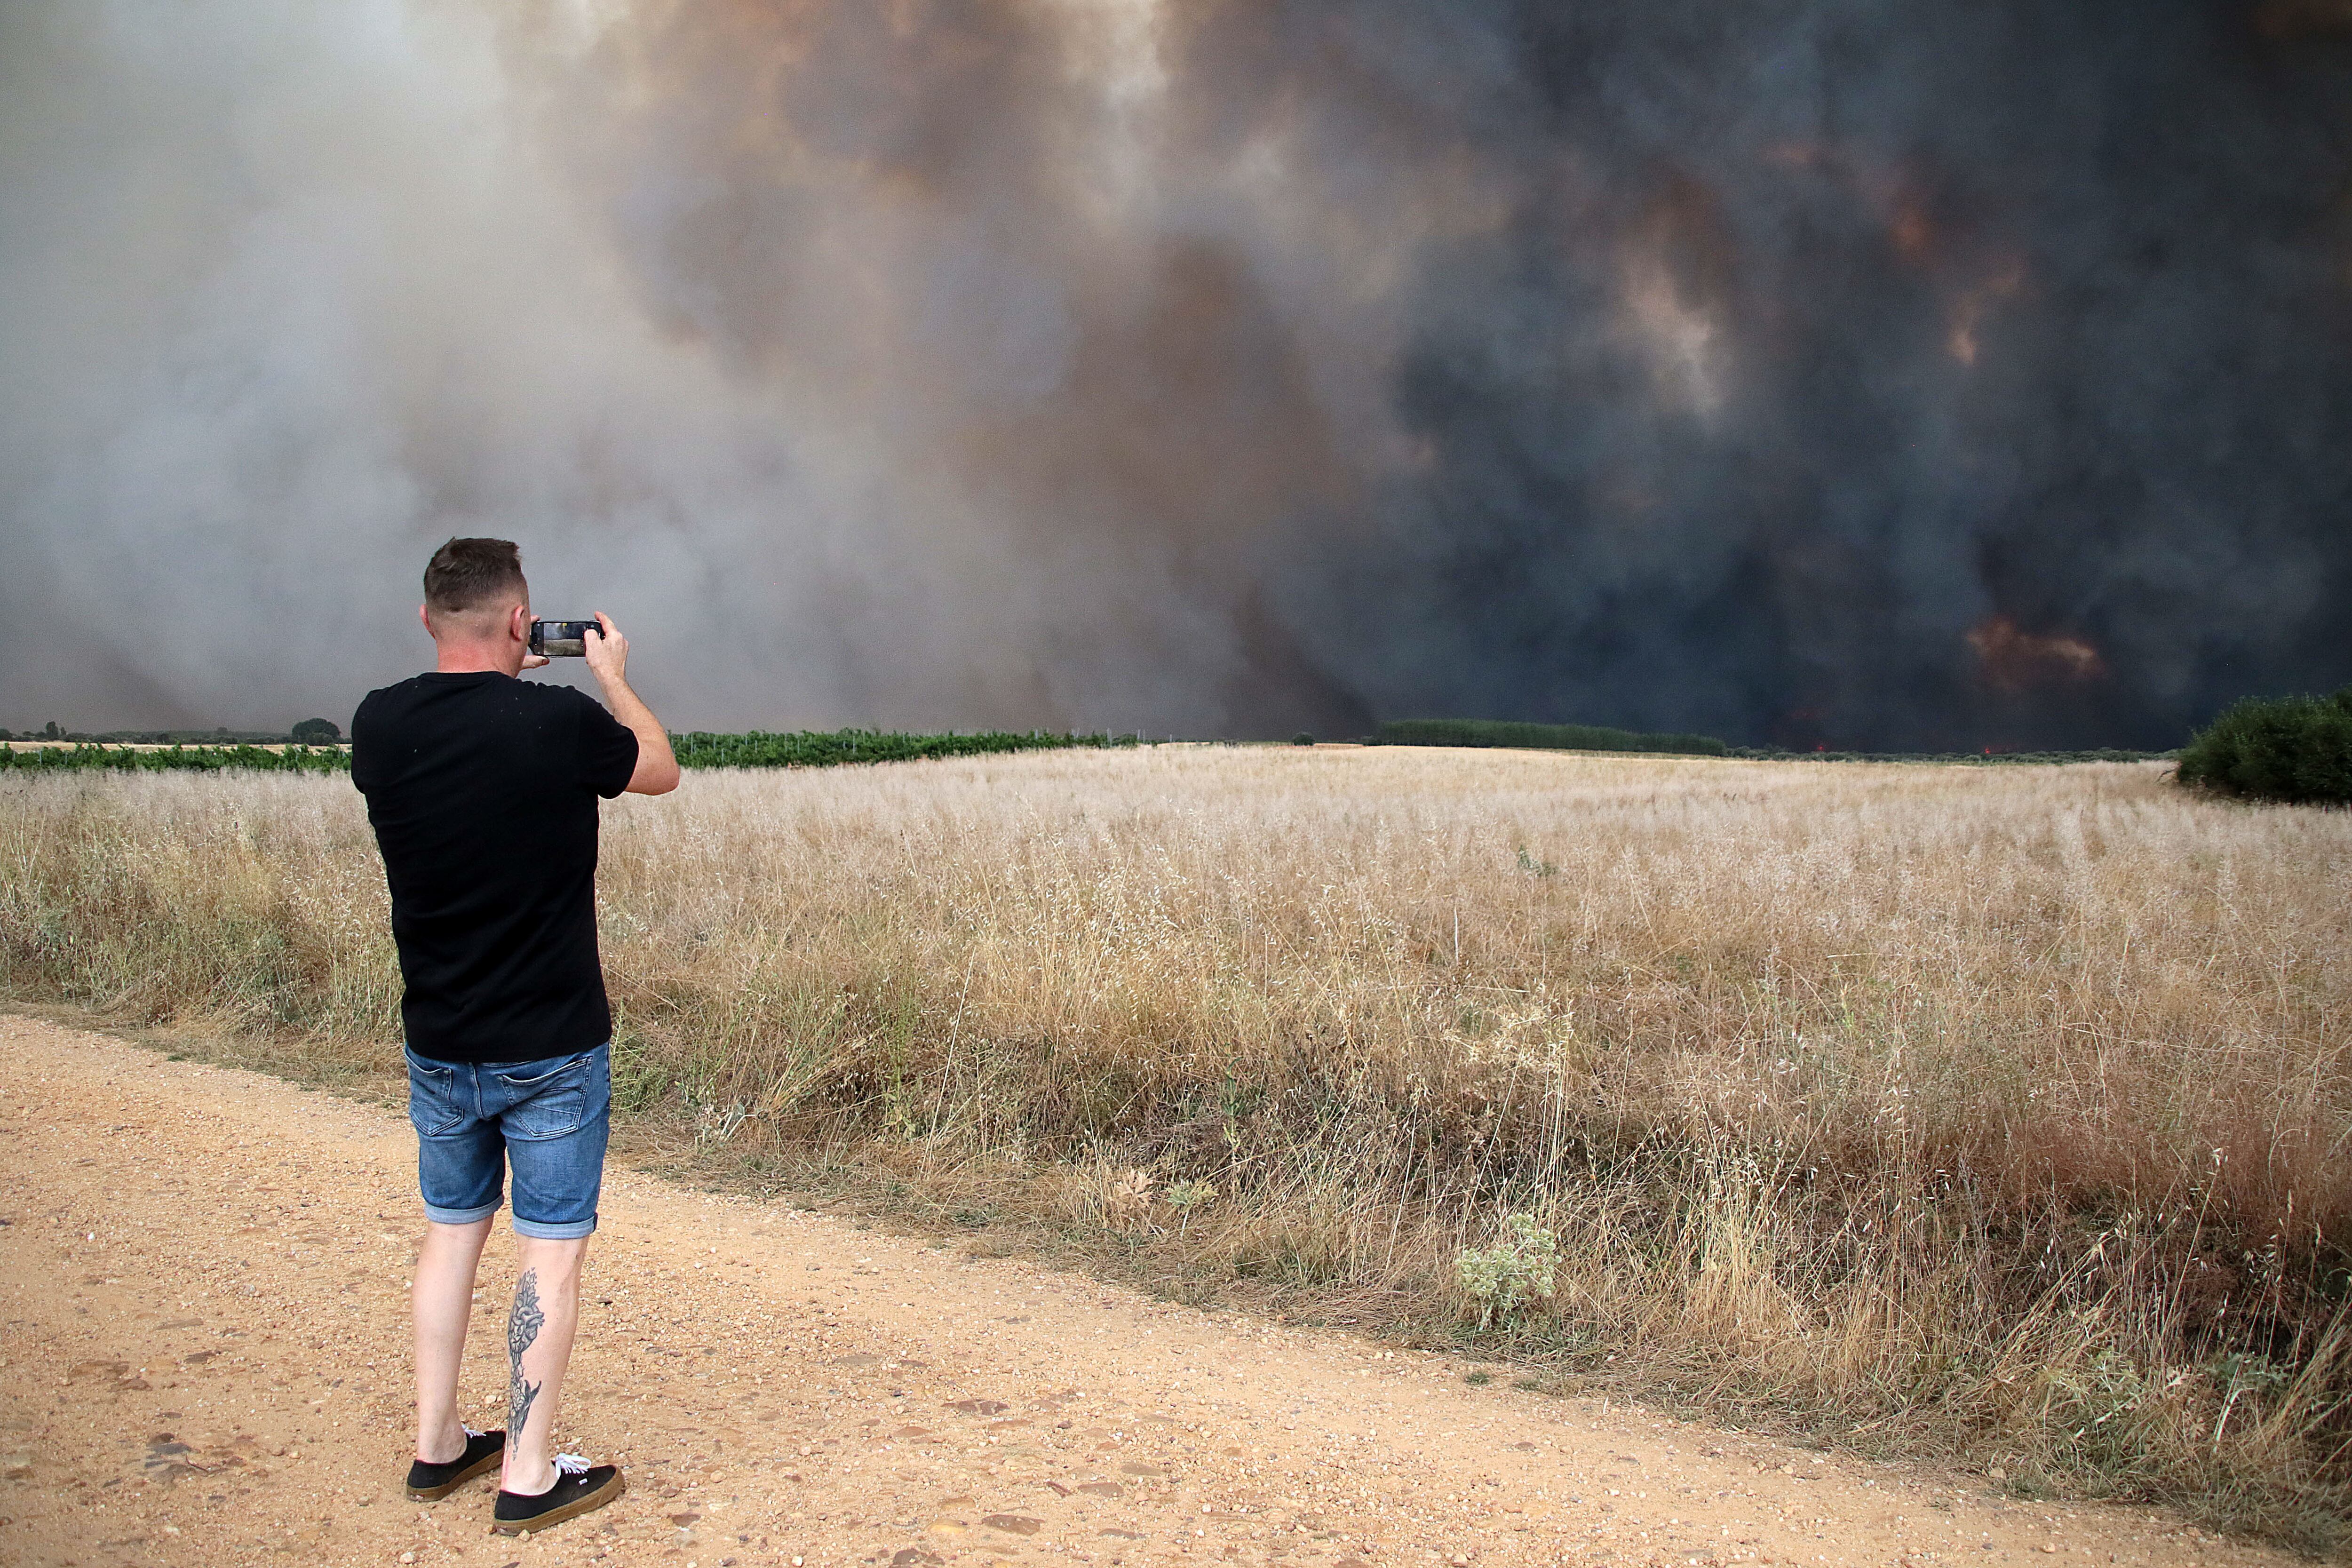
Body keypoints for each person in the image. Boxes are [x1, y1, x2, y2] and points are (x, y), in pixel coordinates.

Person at [352, 537, 680, 1535]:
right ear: (519, 622)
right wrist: (609, 677)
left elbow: (463, 733)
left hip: (439, 1039)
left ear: (425, 619)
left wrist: (498, 670)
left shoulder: (378, 722)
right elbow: (659, 769)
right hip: (552, 1045)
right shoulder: (560, 722)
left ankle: (438, 1443)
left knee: (453, 1230)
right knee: (551, 1251)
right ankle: (529, 1472)